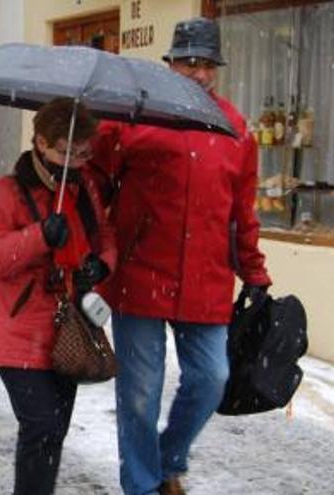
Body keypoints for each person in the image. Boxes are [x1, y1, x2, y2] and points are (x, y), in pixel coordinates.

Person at [89, 17, 273, 495]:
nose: (197, 72)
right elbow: (95, 188)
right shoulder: (133, 115)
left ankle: (169, 459)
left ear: (215, 70)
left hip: (206, 280)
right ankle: (144, 486)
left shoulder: (235, 129)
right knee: (139, 395)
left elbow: (241, 212)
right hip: (139, 276)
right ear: (169, 63)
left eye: (206, 64)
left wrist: (254, 273)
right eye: (188, 62)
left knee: (212, 378)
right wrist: (93, 252)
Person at [0, 98, 116, 495]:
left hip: (69, 328)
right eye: (67, 152)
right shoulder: (4, 193)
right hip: (18, 330)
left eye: (84, 153)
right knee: (42, 425)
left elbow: (104, 237)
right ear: (40, 143)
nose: (76, 161)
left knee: (54, 432)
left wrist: (102, 265)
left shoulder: (84, 188)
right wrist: (39, 238)